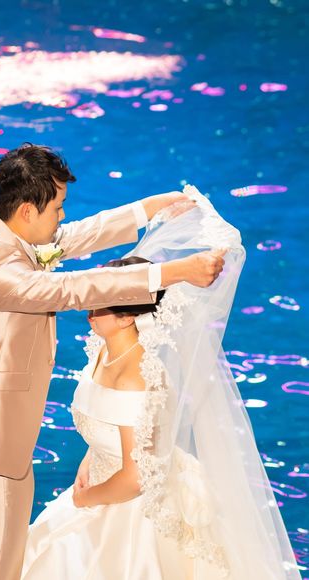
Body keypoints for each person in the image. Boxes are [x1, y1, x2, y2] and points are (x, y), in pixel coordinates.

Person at [0, 144, 225, 580]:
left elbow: (72, 238)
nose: (63, 217)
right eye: (58, 208)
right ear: (27, 210)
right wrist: (175, 272)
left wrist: (151, 208)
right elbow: (73, 289)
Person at [21, 187, 301, 580]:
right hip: (100, 480)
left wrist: (86, 500)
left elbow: (136, 478)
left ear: (127, 317)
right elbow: (109, 429)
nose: (89, 307)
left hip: (130, 508)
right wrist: (89, 461)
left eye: (101, 304)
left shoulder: (135, 378)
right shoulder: (103, 351)